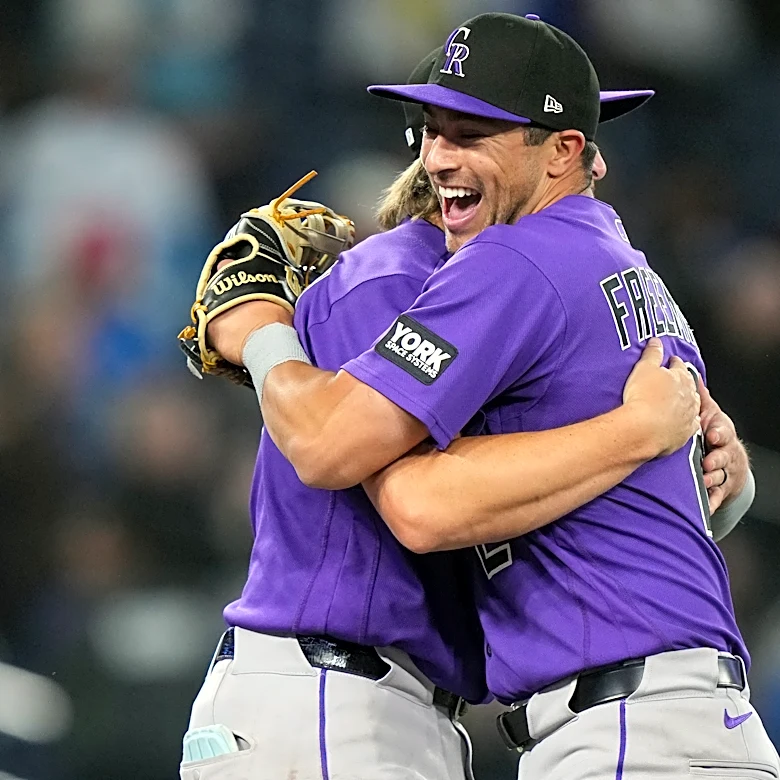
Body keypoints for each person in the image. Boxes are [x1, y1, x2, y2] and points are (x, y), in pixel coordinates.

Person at [203, 12, 770, 780]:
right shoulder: (624, 276)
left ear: (572, 152)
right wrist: (653, 440)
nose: (441, 157)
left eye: (470, 133)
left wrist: (259, 329)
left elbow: (414, 499)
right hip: (344, 700)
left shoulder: (514, 262)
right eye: (432, 131)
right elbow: (695, 504)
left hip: (623, 728)